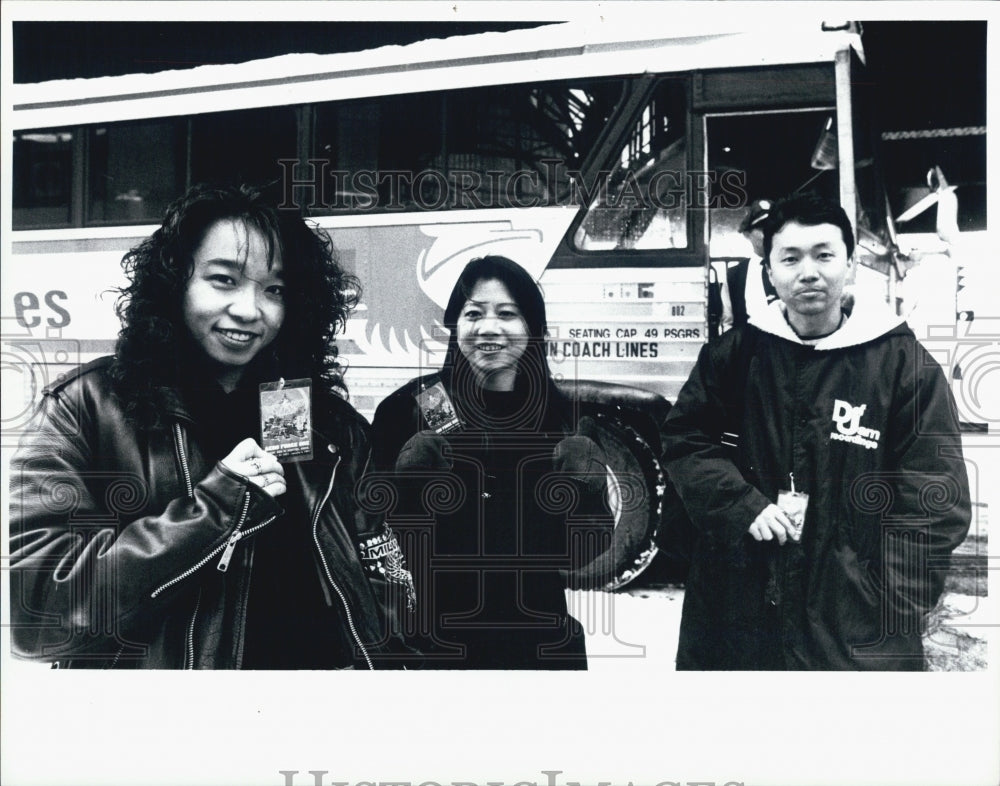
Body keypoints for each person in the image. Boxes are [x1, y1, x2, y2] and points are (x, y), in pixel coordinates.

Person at [8, 183, 409, 669]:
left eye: (275, 290)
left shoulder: (332, 427)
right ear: (175, 281)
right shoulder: (88, 407)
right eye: (224, 280)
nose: (249, 309)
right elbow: (36, 612)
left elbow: (385, 584)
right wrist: (217, 507)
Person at [662, 193, 971, 670]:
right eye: (790, 258)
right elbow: (686, 441)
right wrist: (739, 503)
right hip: (737, 618)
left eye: (824, 255)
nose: (809, 272)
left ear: (850, 265)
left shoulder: (904, 367)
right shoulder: (734, 357)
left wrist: (891, 606)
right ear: (769, 271)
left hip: (855, 631)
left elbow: (935, 499)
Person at [368, 256, 615, 669]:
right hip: (433, 645)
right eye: (473, 313)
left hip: (535, 643)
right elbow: (375, 549)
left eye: (507, 314)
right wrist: (405, 493)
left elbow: (580, 555)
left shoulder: (564, 419)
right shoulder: (410, 410)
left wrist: (585, 498)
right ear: (455, 326)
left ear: (533, 329)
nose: (488, 328)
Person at [718, 199, 778, 332]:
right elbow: (728, 323)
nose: (770, 233)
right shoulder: (735, 275)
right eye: (763, 227)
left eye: (774, 227)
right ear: (747, 234)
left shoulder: (795, 268)